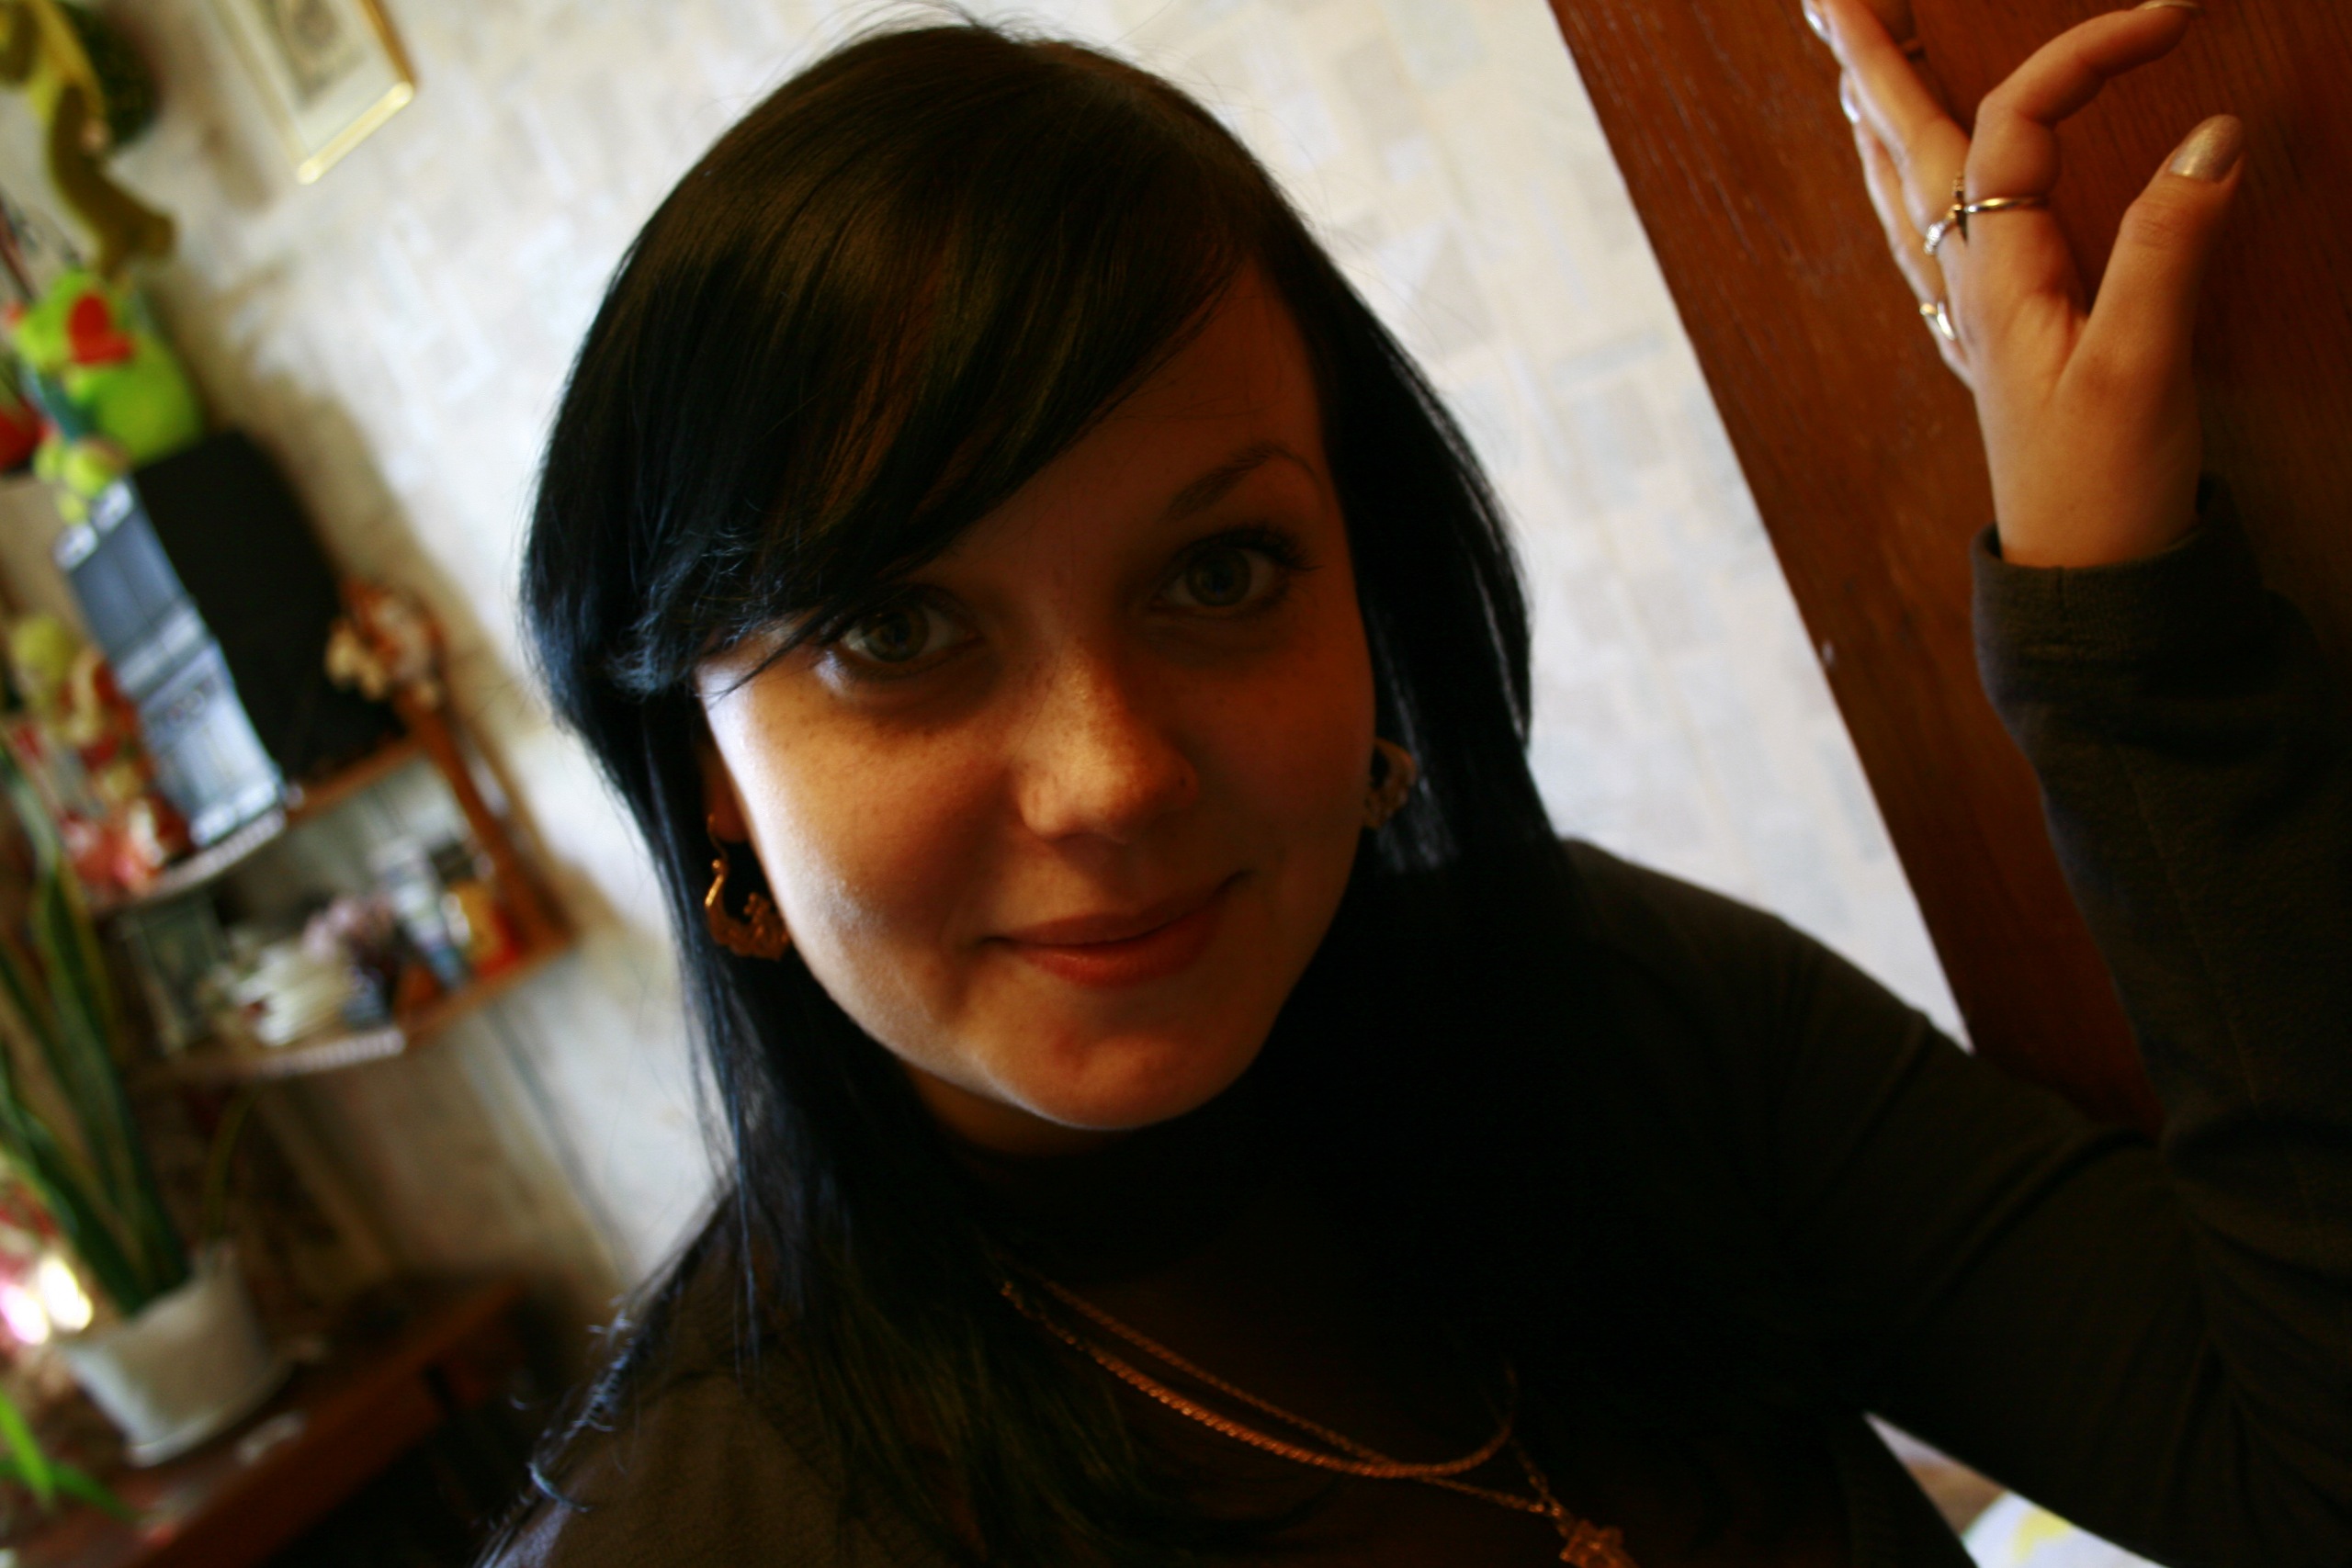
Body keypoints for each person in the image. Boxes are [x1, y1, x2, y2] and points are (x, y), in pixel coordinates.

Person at [491, 4, 2349, 1563]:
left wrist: (2120, 618)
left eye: (1219, 573)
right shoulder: (700, 1531)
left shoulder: (1604, 1014)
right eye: (893, 630)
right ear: (705, 769)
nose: (1111, 777)